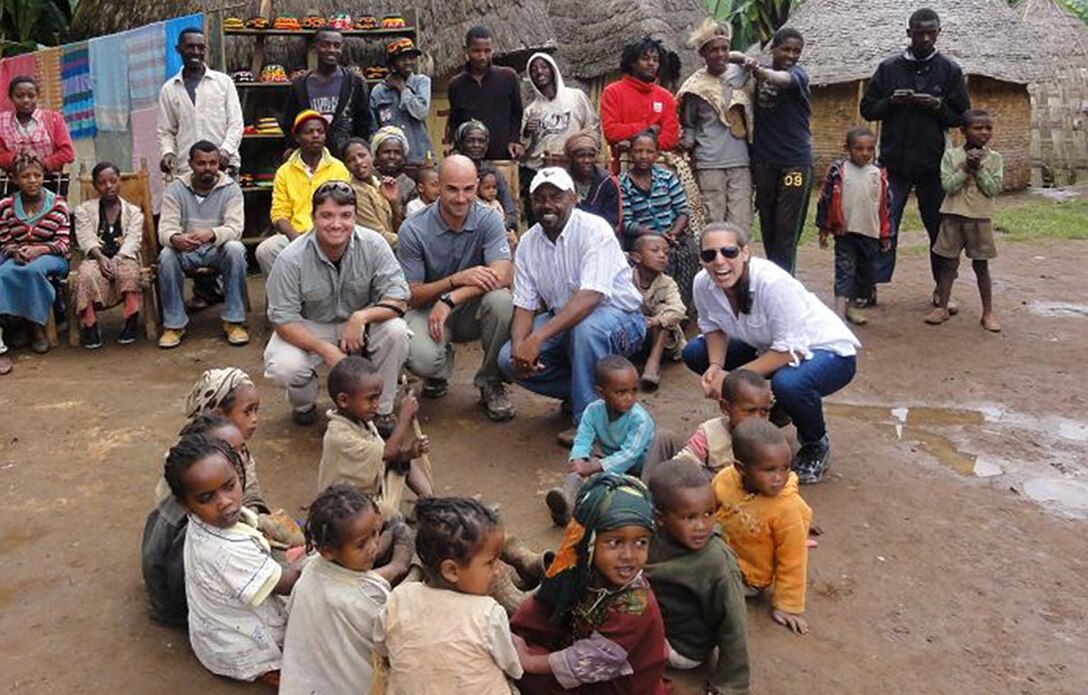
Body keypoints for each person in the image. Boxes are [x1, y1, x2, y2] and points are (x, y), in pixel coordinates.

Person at [683, 223, 860, 484]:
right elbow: (713, 327)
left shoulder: (772, 283)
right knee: (695, 353)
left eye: (728, 252)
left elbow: (789, 350)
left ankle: (815, 442)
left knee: (789, 383)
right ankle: (778, 406)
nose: (719, 261)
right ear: (702, 260)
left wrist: (732, 377)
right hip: (768, 346)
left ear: (745, 252)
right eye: (710, 255)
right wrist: (715, 366)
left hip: (825, 352)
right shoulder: (703, 283)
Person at [498, 167, 646, 442]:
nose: (547, 205)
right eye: (539, 198)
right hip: (566, 322)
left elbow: (591, 296)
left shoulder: (594, 230)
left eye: (556, 196)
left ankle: (588, 425)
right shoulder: (529, 243)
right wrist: (521, 346)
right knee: (507, 359)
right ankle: (590, 393)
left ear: (574, 198)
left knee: (586, 329)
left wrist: (537, 338)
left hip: (621, 318)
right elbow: (524, 305)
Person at [263, 181, 410, 431]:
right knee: (283, 366)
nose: (336, 224)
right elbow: (282, 320)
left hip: (360, 322)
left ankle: (381, 409)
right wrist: (324, 349)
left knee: (395, 332)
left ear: (355, 217)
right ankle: (304, 403)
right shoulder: (291, 258)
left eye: (345, 216)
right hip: (311, 326)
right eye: (326, 216)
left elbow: (399, 297)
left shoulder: (374, 244)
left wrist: (361, 317)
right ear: (313, 217)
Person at [511, 473, 670, 695]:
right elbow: (545, 602)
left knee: (528, 674)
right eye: (615, 542)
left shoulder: (635, 605)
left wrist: (528, 660)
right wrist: (516, 633)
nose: (629, 555)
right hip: (588, 657)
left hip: (622, 685)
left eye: (641, 542)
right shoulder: (581, 570)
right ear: (589, 542)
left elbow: (589, 661)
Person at [167, 433, 300, 684]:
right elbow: (290, 582)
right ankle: (268, 670)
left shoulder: (206, 522)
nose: (224, 502)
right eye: (207, 498)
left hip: (216, 630)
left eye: (229, 486)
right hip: (237, 647)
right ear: (185, 504)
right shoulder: (224, 551)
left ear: (239, 475)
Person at [860, 7, 971, 303]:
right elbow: (868, 109)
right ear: (908, 33)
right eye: (918, 32)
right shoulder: (889, 68)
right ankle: (869, 288)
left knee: (938, 229)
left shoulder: (949, 70)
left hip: (934, 165)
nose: (924, 38)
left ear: (938, 33)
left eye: (930, 32)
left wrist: (937, 107)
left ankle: (942, 290)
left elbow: (961, 116)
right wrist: (891, 102)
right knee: (883, 225)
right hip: (894, 163)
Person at [396, 154, 516, 420]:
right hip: (427, 310)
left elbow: (503, 274)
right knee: (423, 358)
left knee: (503, 301)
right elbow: (411, 294)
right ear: (437, 185)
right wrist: (455, 280)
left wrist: (451, 297)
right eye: (452, 189)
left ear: (476, 185)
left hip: (466, 307)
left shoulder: (488, 218)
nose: (461, 198)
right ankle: (437, 372)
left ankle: (490, 381)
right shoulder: (413, 229)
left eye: (468, 189)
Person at [374, 497, 525, 693]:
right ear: (452, 571)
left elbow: (381, 649)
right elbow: (513, 668)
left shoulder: (398, 598)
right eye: (490, 562)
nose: (497, 570)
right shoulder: (488, 613)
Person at [279, 484, 412, 695]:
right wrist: (402, 565)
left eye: (375, 533)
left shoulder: (311, 568)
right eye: (361, 544)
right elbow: (392, 647)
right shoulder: (368, 597)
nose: (373, 545)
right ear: (329, 551)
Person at [644, 457, 750, 695]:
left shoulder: (717, 563)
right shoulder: (652, 534)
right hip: (658, 619)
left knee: (613, 629)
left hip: (683, 648)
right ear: (660, 518)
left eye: (709, 513)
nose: (702, 526)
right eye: (689, 518)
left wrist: (731, 685)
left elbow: (735, 625)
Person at [714, 419, 813, 635]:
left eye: (785, 468)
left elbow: (793, 560)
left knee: (702, 584)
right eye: (769, 470)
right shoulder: (725, 479)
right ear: (741, 468)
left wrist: (788, 605)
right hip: (719, 551)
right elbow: (709, 511)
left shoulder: (787, 509)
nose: (779, 478)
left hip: (748, 576)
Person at [156, 140, 248, 349]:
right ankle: (174, 324)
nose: (208, 168)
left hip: (217, 249)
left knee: (235, 249)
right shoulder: (176, 189)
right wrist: (175, 239)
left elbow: (236, 228)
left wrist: (212, 234)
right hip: (187, 250)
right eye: (201, 163)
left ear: (219, 164)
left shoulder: (231, 189)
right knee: (167, 256)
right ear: (190, 163)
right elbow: (165, 229)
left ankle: (234, 322)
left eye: (213, 163)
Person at [545, 355, 655, 526]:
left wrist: (593, 467)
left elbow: (630, 455)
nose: (630, 398)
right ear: (601, 393)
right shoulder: (593, 411)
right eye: (621, 392)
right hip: (609, 462)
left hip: (640, 467)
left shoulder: (640, 419)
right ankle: (566, 501)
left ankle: (579, 507)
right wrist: (578, 461)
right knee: (579, 472)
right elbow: (582, 440)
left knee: (600, 482)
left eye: (634, 390)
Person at [317, 355, 433, 517]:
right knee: (390, 515)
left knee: (405, 461)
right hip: (344, 508)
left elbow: (388, 455)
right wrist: (404, 417)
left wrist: (411, 453)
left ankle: (431, 502)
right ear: (343, 400)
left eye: (378, 398)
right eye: (371, 398)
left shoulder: (361, 421)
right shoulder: (339, 436)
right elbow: (389, 452)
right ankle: (400, 523)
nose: (376, 404)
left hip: (368, 490)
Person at [926, 109, 1003, 332]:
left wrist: (977, 169)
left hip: (980, 219)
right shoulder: (951, 156)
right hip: (953, 216)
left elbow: (993, 189)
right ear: (963, 131)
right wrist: (965, 168)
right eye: (978, 128)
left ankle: (987, 312)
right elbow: (948, 186)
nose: (984, 132)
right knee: (948, 264)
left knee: (981, 266)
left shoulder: (995, 158)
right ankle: (942, 306)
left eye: (988, 128)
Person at [677, 19, 753, 230]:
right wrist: (687, 142)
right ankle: (714, 261)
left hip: (740, 161)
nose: (720, 54)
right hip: (709, 163)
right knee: (713, 219)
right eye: (713, 50)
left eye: (724, 49)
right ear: (703, 54)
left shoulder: (742, 72)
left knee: (740, 220)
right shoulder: (695, 87)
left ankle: (739, 262)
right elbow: (689, 124)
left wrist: (740, 57)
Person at [257, 110, 351, 276]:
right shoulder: (285, 171)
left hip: (331, 232)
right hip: (295, 235)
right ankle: (284, 297)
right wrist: (295, 237)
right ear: (297, 137)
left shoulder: (338, 168)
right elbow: (279, 213)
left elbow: (344, 208)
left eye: (320, 132)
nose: (316, 136)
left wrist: (322, 235)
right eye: (309, 132)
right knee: (266, 250)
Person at [750, 27, 812, 275]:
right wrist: (745, 60)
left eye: (796, 51)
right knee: (768, 223)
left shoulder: (798, 75)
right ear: (773, 48)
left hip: (794, 164)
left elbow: (781, 79)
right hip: (765, 163)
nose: (791, 55)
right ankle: (776, 277)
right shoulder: (755, 72)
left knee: (787, 226)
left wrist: (760, 71)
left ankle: (785, 281)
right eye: (785, 49)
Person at [640, 368, 772, 485]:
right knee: (664, 437)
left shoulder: (768, 439)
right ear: (725, 407)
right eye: (749, 411)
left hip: (730, 493)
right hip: (703, 483)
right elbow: (686, 463)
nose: (757, 419)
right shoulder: (710, 432)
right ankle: (646, 496)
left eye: (764, 411)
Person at [816, 126, 892, 326]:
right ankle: (839, 315)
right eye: (859, 149)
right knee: (844, 271)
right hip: (845, 233)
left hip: (871, 233)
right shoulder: (838, 171)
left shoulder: (878, 173)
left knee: (864, 273)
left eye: (869, 149)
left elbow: (885, 206)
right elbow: (825, 198)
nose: (865, 153)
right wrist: (824, 228)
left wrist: (885, 235)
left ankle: (850, 308)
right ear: (847, 149)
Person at [620, 130, 698, 310]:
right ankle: (654, 308)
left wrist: (673, 233)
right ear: (631, 153)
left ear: (657, 154)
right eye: (638, 151)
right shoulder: (622, 183)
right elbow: (627, 223)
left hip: (673, 233)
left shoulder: (666, 177)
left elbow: (683, 212)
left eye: (649, 152)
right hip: (643, 237)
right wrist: (656, 235)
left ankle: (679, 310)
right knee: (656, 256)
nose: (643, 156)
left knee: (690, 253)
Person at [0, 153, 69, 355]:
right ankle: (21, 322)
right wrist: (15, 252)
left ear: (43, 176)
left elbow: (64, 244)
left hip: (53, 257)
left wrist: (39, 250)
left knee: (33, 270)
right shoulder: (6, 207)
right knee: (4, 273)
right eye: (25, 176)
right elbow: (5, 241)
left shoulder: (58, 204)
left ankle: (36, 328)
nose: (32, 181)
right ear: (14, 179)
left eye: (37, 175)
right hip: (19, 257)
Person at [73, 162, 144, 348]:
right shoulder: (83, 211)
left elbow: (133, 240)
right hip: (96, 259)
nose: (109, 186)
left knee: (128, 272)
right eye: (102, 183)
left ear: (119, 181)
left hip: (124, 257)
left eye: (113, 181)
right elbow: (85, 237)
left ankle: (130, 318)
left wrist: (117, 259)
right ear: (96, 186)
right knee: (86, 274)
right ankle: (90, 324)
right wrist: (101, 257)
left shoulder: (134, 212)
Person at [158, 27, 243, 177]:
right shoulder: (169, 89)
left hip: (222, 168)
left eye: (201, 47)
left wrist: (225, 150)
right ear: (178, 49)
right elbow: (166, 131)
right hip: (186, 171)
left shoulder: (224, 83)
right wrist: (168, 153)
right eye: (190, 47)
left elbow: (236, 123)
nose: (196, 52)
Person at [281, 29, 372, 156]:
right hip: (310, 157)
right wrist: (294, 148)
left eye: (337, 45)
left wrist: (358, 152)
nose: (331, 50)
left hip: (345, 157)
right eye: (325, 45)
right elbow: (289, 122)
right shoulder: (300, 84)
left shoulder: (354, 82)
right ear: (315, 46)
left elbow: (364, 123)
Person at [600, 36, 680, 171]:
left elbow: (671, 137)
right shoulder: (612, 92)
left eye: (655, 60)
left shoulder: (666, 97)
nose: (651, 63)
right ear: (632, 63)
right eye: (645, 58)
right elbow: (612, 132)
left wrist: (636, 145)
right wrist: (648, 128)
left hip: (660, 171)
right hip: (622, 169)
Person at [446, 26, 524, 162]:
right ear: (466, 50)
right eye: (476, 51)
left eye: (487, 51)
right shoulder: (456, 84)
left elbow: (517, 114)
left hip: (503, 158)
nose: (482, 56)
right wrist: (453, 146)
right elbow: (455, 121)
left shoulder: (508, 77)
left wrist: (514, 140)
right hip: (469, 161)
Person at [631, 234, 686, 389]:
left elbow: (679, 309)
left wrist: (654, 321)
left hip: (662, 341)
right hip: (631, 335)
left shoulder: (667, 283)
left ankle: (653, 364)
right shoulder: (625, 278)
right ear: (636, 257)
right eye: (655, 251)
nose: (662, 256)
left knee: (663, 311)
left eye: (666, 252)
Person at [370, 37, 435, 165]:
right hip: (390, 160)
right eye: (402, 59)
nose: (408, 62)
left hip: (419, 156)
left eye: (411, 58)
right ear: (392, 63)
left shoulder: (421, 82)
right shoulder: (379, 91)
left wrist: (403, 89)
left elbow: (421, 112)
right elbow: (373, 128)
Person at [0, 76, 74, 175]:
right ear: (11, 97)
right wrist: (14, 159)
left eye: (31, 96)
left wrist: (44, 162)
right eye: (19, 96)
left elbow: (68, 153)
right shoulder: (2, 121)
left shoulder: (54, 119)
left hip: (50, 182)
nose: (26, 100)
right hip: (13, 183)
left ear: (37, 96)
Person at [453, 120, 518, 231]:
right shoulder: (452, 170)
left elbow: (510, 213)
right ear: (461, 143)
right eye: (470, 141)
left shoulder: (493, 172)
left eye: (481, 141)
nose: (476, 145)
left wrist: (496, 229)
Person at [340, 137, 401, 247]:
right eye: (351, 160)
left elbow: (394, 226)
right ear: (346, 167)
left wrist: (393, 202)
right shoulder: (355, 192)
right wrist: (413, 240)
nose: (358, 162)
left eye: (362, 156)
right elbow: (378, 236)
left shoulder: (378, 184)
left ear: (372, 156)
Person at [564, 130, 622, 236]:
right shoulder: (561, 181)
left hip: (602, 236)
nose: (586, 160)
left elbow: (613, 220)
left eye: (591, 156)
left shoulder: (607, 181)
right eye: (580, 156)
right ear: (570, 158)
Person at [371, 125, 417, 209]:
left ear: (403, 157)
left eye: (397, 152)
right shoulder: (369, 178)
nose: (392, 156)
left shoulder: (409, 185)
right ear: (376, 155)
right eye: (386, 152)